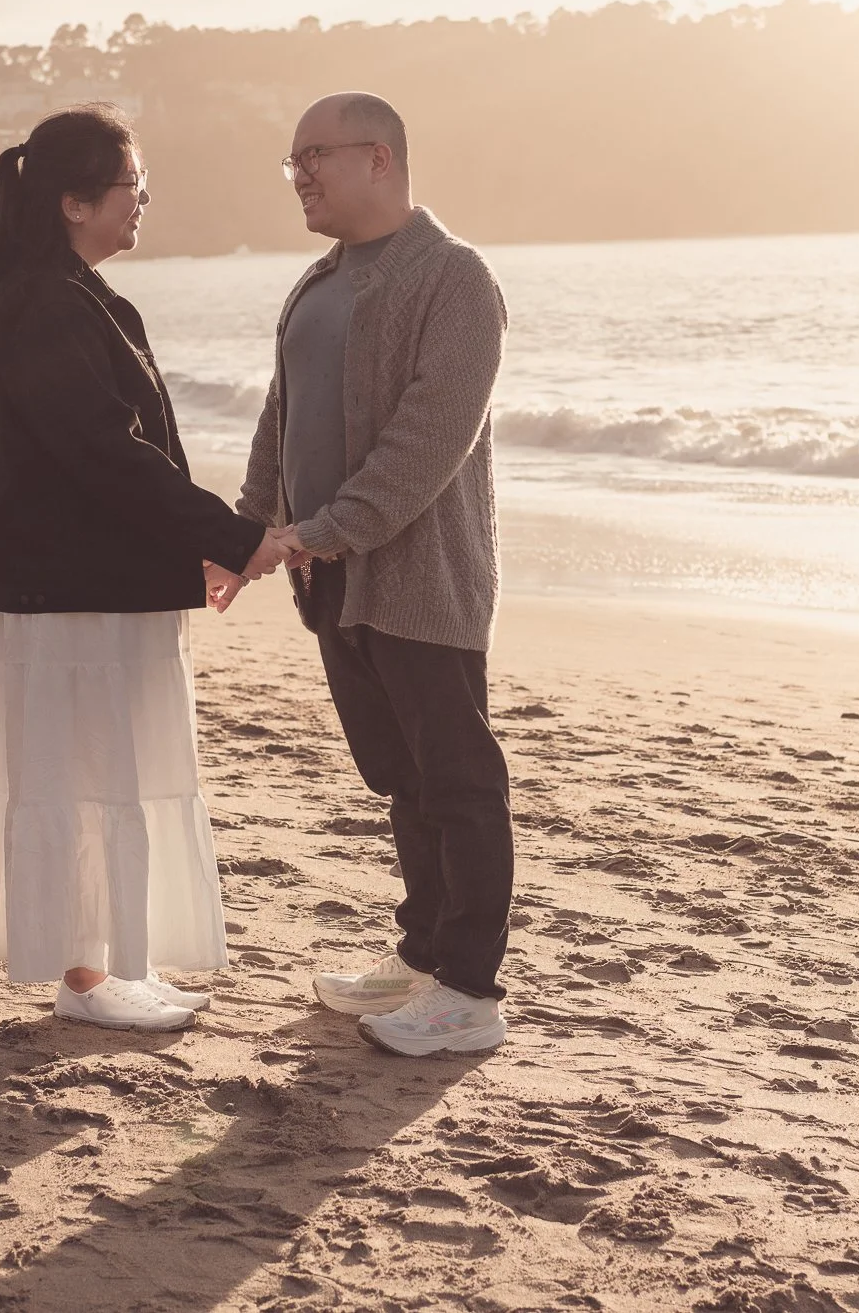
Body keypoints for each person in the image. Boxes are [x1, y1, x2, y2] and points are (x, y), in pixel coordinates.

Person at [0, 104, 289, 1031]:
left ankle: (101, 969)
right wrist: (229, 532)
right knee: (82, 778)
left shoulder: (68, 294)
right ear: (74, 202)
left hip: (97, 582)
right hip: (74, 593)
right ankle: (88, 981)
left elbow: (126, 457)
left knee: (106, 775)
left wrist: (202, 536)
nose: (143, 204)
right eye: (132, 189)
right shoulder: (45, 303)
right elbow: (106, 453)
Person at [236, 92, 514, 1056]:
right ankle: (424, 951)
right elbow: (284, 416)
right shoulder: (317, 282)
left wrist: (320, 531)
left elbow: (431, 439)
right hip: (335, 576)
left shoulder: (455, 278)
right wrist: (249, 528)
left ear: (381, 160)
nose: (300, 174)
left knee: (457, 778)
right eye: (293, 159)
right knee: (399, 776)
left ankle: (470, 992)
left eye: (315, 154)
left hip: (422, 579)